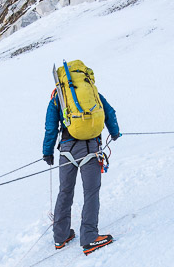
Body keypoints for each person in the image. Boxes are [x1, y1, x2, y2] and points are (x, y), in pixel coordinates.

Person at [43, 77, 121, 255]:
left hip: (66, 151)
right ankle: (89, 237)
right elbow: (110, 112)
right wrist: (115, 132)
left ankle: (61, 236)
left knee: (65, 191)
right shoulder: (92, 93)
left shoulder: (59, 97)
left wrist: (47, 152)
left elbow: (50, 127)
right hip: (91, 150)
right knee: (91, 193)